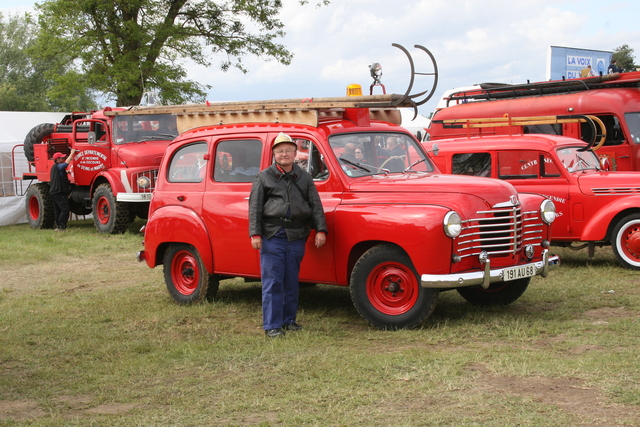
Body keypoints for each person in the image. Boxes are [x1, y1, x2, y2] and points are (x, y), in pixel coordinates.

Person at [249, 133, 328, 338]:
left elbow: (315, 204)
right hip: (272, 234)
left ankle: (288, 320)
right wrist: (255, 234)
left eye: (288, 150)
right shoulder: (263, 177)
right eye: (280, 151)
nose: (284, 154)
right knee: (273, 281)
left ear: (295, 153)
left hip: (296, 235)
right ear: (274, 154)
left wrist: (321, 229)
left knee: (292, 280)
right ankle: (272, 326)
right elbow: (255, 207)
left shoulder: (305, 177)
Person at [49, 149, 77, 231]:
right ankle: (61, 226)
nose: (63, 159)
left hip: (54, 192)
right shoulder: (59, 166)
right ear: (57, 160)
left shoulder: (54, 167)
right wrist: (71, 154)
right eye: (61, 158)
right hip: (59, 192)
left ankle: (58, 226)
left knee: (58, 209)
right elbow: (65, 164)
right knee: (65, 209)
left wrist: (66, 172)